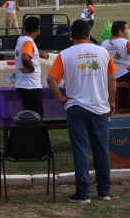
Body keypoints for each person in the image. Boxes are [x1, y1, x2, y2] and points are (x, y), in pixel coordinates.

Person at [49, 20, 117, 204]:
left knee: (81, 150)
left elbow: (51, 79)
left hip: (76, 107)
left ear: (71, 36)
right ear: (89, 35)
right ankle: (104, 191)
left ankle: (83, 192)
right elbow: (112, 78)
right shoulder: (103, 52)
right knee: (101, 149)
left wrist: (61, 99)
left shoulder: (65, 55)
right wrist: (111, 100)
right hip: (99, 106)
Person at [103, 19, 130, 108]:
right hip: (125, 76)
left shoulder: (103, 44)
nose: (128, 32)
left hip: (108, 78)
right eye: (126, 30)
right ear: (120, 31)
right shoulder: (127, 43)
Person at [14, 15, 45, 116]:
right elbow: (25, 57)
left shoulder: (21, 39)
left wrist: (39, 54)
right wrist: (31, 69)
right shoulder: (28, 42)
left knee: (29, 116)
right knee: (36, 117)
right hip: (31, 86)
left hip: (24, 84)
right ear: (37, 29)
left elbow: (26, 52)